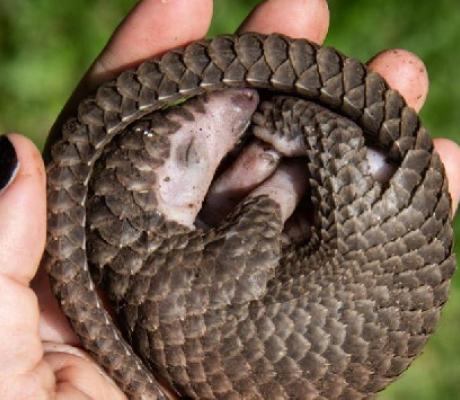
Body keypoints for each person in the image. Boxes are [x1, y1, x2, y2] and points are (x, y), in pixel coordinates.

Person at [0, 0, 458, 398]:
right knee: (318, 139)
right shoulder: (182, 289)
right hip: (376, 247)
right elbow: (261, 217)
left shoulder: (166, 289)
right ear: (170, 192)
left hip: (335, 289)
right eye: (192, 150)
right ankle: (314, 130)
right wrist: (277, 177)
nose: (238, 102)